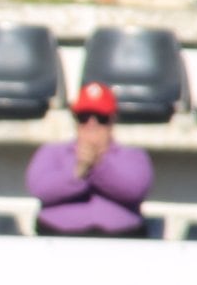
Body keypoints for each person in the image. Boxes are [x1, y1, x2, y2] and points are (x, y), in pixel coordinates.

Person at [26, 82, 152, 237]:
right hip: (58, 242)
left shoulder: (133, 155)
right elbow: (40, 189)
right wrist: (77, 172)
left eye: (100, 118)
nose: (91, 125)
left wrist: (98, 166)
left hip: (119, 245)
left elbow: (134, 189)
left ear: (112, 120)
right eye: (84, 118)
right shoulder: (52, 152)